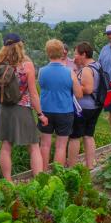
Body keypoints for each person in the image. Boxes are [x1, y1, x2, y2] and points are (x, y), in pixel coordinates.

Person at [0, 33, 46, 179]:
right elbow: (34, 94)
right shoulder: (27, 66)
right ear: (20, 45)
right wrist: (40, 114)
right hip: (22, 109)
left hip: (3, 109)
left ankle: (8, 182)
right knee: (34, 146)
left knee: (6, 146)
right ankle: (39, 180)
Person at [38, 39, 83, 169]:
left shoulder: (41, 71)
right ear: (62, 52)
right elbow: (79, 94)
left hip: (45, 111)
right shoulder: (70, 72)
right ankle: (57, 174)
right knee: (61, 146)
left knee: (45, 144)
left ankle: (43, 172)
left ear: (48, 52)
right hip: (65, 111)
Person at [67, 42, 103, 169]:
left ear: (83, 54)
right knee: (88, 135)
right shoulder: (97, 65)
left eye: (76, 53)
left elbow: (88, 89)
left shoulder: (87, 69)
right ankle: (90, 165)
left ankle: (71, 167)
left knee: (75, 137)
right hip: (95, 106)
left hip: (83, 108)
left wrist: (74, 85)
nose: (74, 56)